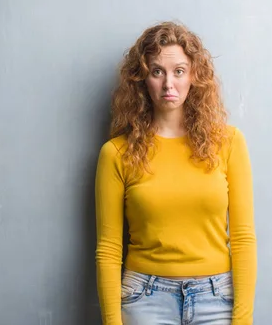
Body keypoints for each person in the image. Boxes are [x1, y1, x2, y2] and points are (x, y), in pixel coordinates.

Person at [94, 21, 257, 325]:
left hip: (217, 299)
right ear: (142, 79)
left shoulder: (229, 143)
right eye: (158, 71)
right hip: (144, 299)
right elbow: (108, 248)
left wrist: (243, 320)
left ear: (194, 76)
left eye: (179, 71)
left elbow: (244, 238)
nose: (169, 83)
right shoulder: (116, 154)